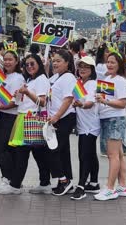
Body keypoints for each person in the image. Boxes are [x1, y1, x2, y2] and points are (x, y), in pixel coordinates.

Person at [0, 54, 51, 195]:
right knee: (38, 154)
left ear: (39, 64)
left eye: (32, 63)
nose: (29, 67)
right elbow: (23, 101)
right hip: (25, 117)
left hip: (32, 117)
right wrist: (19, 95)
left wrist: (26, 91)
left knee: (22, 153)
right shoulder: (31, 79)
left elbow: (42, 102)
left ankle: (15, 185)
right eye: (27, 64)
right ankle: (44, 183)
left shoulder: (40, 80)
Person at [94, 52, 126, 201]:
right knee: (119, 154)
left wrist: (104, 101)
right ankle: (122, 186)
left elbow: (122, 103)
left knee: (113, 155)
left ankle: (110, 188)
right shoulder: (108, 78)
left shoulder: (121, 81)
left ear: (119, 65)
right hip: (106, 118)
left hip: (114, 119)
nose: (109, 65)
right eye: (108, 62)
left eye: (113, 62)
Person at [0, 49, 25, 190]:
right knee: (4, 148)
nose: (7, 62)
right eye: (5, 59)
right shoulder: (4, 76)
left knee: (1, 147)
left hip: (12, 117)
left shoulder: (18, 78)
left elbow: (15, 101)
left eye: (11, 59)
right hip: (3, 116)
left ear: (16, 61)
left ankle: (9, 178)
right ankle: (9, 178)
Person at [71, 56, 101, 200]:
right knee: (90, 154)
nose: (82, 69)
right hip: (82, 125)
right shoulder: (79, 83)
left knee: (84, 155)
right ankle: (94, 183)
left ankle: (81, 186)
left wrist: (80, 105)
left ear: (92, 70)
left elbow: (89, 103)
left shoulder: (93, 84)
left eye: (86, 67)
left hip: (91, 125)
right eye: (80, 66)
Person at [48, 49, 77, 196]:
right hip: (57, 118)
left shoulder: (69, 78)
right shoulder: (56, 77)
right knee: (63, 151)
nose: (55, 63)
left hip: (64, 118)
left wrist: (57, 117)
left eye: (59, 61)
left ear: (67, 63)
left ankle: (64, 180)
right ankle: (65, 181)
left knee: (53, 150)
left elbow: (68, 99)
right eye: (54, 61)